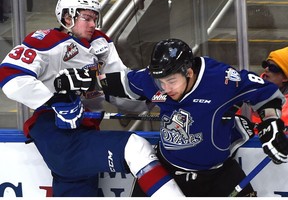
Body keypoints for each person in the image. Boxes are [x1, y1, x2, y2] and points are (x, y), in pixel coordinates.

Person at [0, 0, 185, 197]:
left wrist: (155, 95)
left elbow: (119, 89)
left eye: (95, 18)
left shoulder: (101, 43)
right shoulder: (46, 40)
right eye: (86, 18)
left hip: (86, 131)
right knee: (135, 147)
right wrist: (54, 99)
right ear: (67, 17)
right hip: (56, 132)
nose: (92, 24)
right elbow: (10, 77)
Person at [54, 38, 288, 197]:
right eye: (160, 82)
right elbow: (121, 83)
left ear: (189, 72)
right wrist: (85, 80)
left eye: (172, 81)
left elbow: (267, 95)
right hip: (166, 170)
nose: (165, 88)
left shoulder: (223, 79)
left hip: (218, 174)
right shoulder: (150, 78)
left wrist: (271, 123)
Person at [250, 47, 288, 127]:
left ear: (285, 78)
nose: (266, 69)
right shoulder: (248, 90)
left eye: (273, 68)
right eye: (266, 65)